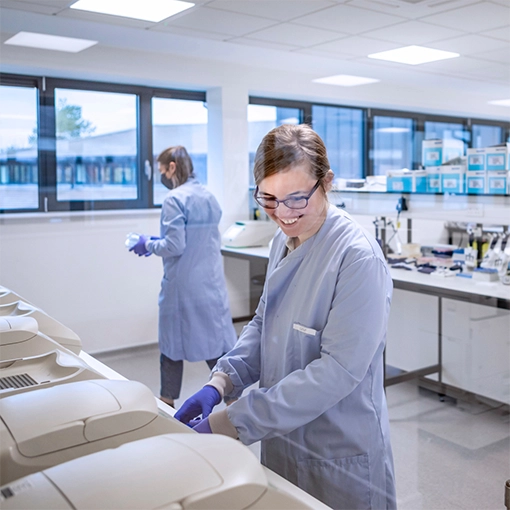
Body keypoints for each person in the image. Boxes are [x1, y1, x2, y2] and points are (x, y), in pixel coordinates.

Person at [175, 125, 397, 509]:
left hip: (339, 454)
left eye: (296, 199)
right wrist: (222, 381)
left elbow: (338, 371)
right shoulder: (283, 239)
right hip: (283, 441)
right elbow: (265, 323)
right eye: (269, 199)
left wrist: (234, 421)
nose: (283, 214)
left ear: (326, 183)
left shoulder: (356, 257)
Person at [129, 145, 236, 408]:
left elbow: (175, 246)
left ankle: (166, 402)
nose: (162, 176)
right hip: (210, 284)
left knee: (171, 347)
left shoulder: (174, 199)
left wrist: (148, 244)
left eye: (162, 170)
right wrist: (160, 240)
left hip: (183, 287)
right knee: (217, 348)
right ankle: (236, 403)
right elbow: (197, 239)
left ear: (172, 167)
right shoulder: (208, 196)